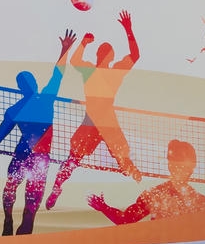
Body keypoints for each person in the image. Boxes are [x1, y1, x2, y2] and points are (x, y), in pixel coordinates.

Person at [0, 29, 77, 235]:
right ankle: (11, 222)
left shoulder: (19, 108)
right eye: (27, 82)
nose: (29, 84)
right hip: (35, 157)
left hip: (27, 155)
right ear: (27, 86)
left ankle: (12, 222)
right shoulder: (42, 99)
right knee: (21, 195)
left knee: (16, 192)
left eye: (28, 82)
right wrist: (64, 51)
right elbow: (57, 76)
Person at [45, 11, 145, 208]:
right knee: (76, 159)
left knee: (78, 159)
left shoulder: (100, 71)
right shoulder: (99, 71)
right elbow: (135, 55)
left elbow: (135, 56)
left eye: (104, 52)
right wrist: (127, 29)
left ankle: (57, 186)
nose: (104, 55)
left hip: (99, 121)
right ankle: (57, 188)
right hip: (99, 121)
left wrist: (85, 43)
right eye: (103, 52)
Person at [89, 139, 205, 225]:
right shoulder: (156, 195)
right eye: (180, 164)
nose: (182, 169)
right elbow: (126, 220)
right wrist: (104, 208)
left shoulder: (200, 201)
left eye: (184, 165)